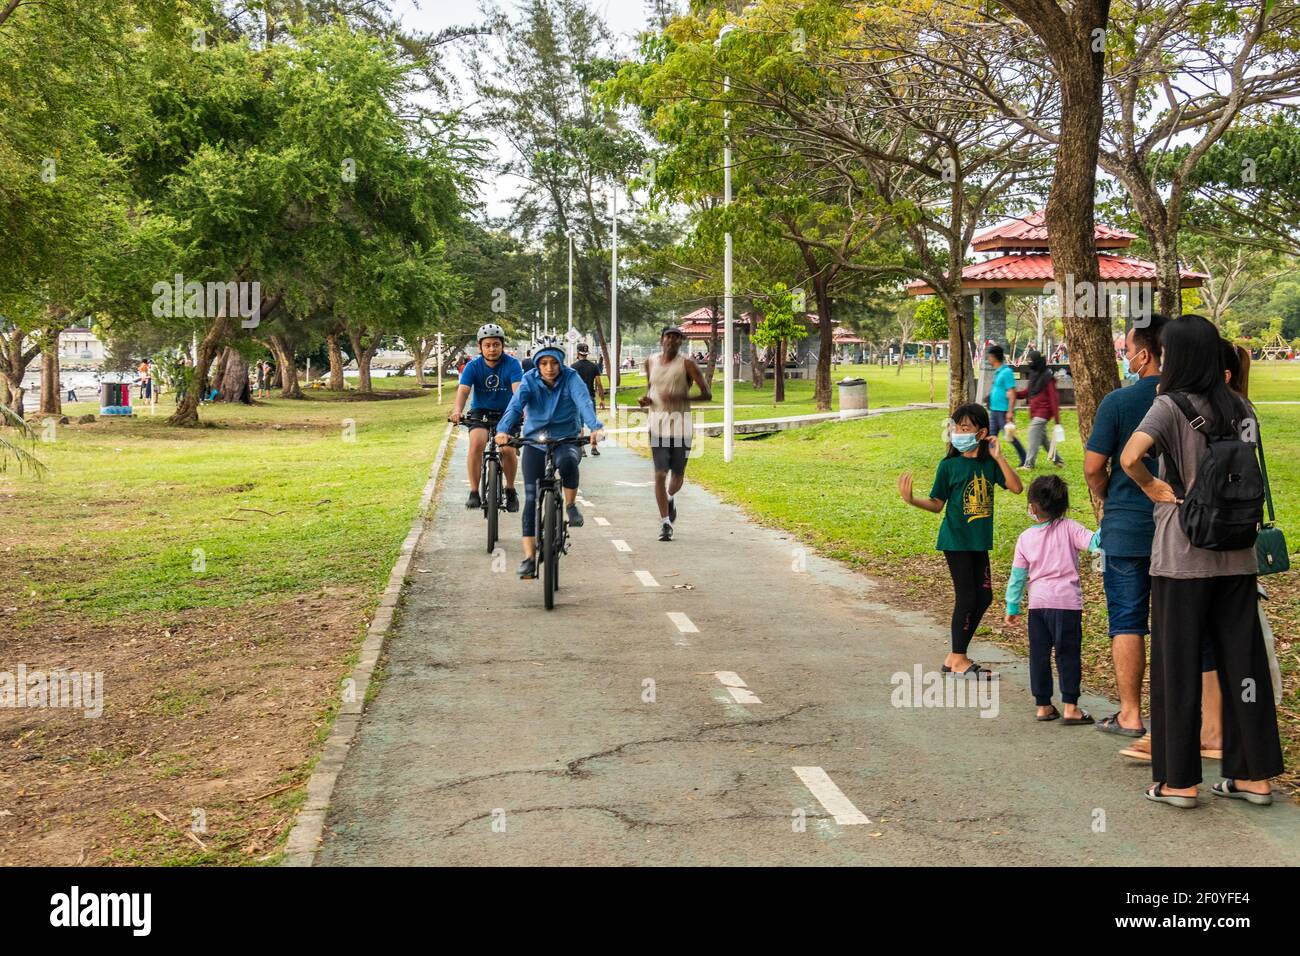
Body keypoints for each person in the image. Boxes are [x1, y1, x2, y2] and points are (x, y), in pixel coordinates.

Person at [1120, 314, 1284, 808]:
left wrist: (1153, 486)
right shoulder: (1241, 405)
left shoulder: (1167, 406)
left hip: (1182, 557)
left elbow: (1130, 457)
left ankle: (1178, 781)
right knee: (1244, 666)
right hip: (1237, 554)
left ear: (1178, 356)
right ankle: (1254, 776)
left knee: (1178, 667)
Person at [1083, 315, 1168, 750]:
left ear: (1145, 354)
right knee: (1179, 624)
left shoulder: (1117, 403)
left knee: (1127, 620)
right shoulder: (1190, 399)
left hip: (1127, 526)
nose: (1126, 357)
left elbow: (1093, 466)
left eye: (1129, 349)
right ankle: (1192, 721)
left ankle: (1131, 714)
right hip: (1179, 533)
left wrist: (1106, 497)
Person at [898, 403, 1024, 678]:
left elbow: (1016, 488)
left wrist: (1000, 456)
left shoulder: (989, 464)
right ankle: (959, 659)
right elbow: (936, 504)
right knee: (967, 596)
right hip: (955, 540)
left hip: (979, 541)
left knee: (985, 596)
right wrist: (911, 500)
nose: (958, 432)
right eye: (956, 427)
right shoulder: (949, 466)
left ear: (980, 433)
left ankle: (954, 656)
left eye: (965, 428)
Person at [495, 339, 603, 579]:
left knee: (567, 462)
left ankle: (571, 505)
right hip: (534, 441)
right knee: (531, 498)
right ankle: (529, 558)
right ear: (537, 364)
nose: (549, 367)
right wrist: (503, 431)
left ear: (561, 362)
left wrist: (595, 427)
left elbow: (584, 403)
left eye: (554, 362)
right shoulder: (529, 380)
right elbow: (514, 407)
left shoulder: (572, 378)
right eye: (543, 363)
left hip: (567, 438)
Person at [1005, 475, 1099, 724]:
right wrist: (1108, 521)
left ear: (1033, 507)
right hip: (1067, 604)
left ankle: (1043, 705)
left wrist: (1012, 605)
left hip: (1038, 605)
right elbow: (1094, 543)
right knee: (1067, 654)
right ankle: (1071, 707)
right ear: (1063, 506)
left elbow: (1017, 576)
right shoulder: (1070, 528)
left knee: (1039, 655)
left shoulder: (1025, 538)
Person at [638, 326, 712, 541]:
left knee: (677, 475)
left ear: (681, 342)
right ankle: (665, 523)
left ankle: (670, 498)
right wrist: (646, 401)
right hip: (657, 425)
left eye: (676, 337)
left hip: (681, 426)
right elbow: (651, 390)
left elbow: (707, 394)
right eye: (668, 336)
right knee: (660, 474)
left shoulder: (687, 364)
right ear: (661, 339)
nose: (672, 340)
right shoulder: (650, 362)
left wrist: (682, 398)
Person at [450, 323, 523, 512]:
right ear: (480, 346)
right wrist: (457, 410)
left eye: (496, 344)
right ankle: (474, 491)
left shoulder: (512, 364)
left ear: (502, 345)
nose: (492, 349)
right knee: (476, 443)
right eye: (488, 345)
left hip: (508, 412)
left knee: (507, 449)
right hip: (481, 411)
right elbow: (464, 391)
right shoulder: (473, 366)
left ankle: (510, 489)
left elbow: (518, 392)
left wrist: (524, 411)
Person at [1015, 350, 1063, 469]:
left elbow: (1054, 399)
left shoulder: (1048, 378)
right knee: (1043, 439)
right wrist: (1015, 394)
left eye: (1031, 361)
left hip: (1043, 412)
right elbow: (1028, 392)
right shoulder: (1034, 374)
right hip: (1036, 412)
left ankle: (1029, 464)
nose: (1029, 363)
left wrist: (1057, 421)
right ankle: (1058, 460)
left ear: (1037, 361)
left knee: (1033, 435)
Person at [985, 345, 1027, 466]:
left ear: (994, 357)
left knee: (1010, 436)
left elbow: (1012, 392)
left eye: (989, 356)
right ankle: (990, 458)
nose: (988, 358)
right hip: (995, 410)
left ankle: (1024, 458)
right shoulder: (998, 372)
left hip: (1003, 411)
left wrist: (1010, 412)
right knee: (991, 435)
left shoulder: (1006, 372)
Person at [570, 343, 606, 457]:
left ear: (577, 353)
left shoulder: (573, 367)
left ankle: (582, 449)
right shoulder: (594, 366)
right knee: (593, 423)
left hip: (577, 399)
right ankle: (594, 447)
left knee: (579, 425)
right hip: (590, 398)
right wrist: (602, 399)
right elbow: (599, 383)